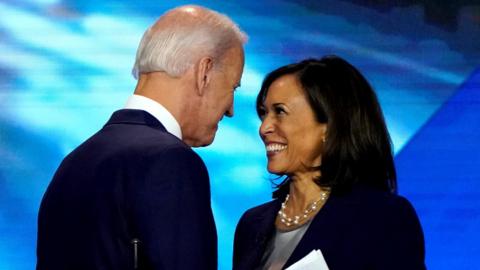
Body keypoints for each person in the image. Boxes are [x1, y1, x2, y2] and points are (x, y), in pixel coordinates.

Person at [36, 5, 246, 270]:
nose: (230, 109)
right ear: (204, 72)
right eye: (233, 87)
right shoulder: (170, 162)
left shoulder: (75, 161)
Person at [233, 56, 425, 270]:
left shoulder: (381, 217)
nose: (264, 127)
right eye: (263, 113)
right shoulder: (252, 224)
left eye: (280, 112)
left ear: (329, 125)